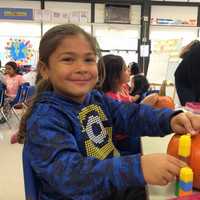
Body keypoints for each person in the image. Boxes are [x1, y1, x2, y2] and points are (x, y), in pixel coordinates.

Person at [18, 24, 200, 200]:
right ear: (45, 69)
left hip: (109, 189)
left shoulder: (96, 99)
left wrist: (171, 119)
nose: (81, 68)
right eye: (68, 59)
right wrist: (138, 168)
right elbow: (70, 176)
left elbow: (132, 115)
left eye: (88, 59)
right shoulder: (46, 119)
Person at [174, 40, 200, 106]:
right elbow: (195, 76)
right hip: (184, 82)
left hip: (188, 79)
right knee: (191, 107)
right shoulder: (196, 51)